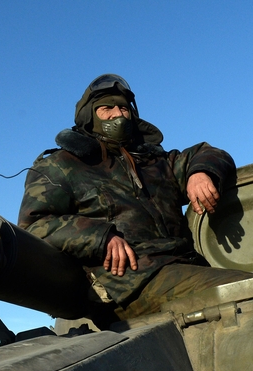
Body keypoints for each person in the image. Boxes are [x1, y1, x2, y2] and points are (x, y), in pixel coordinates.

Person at [17, 74, 252, 325]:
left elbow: (209, 152)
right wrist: (99, 236)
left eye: (123, 108)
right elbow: (34, 226)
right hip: (126, 284)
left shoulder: (155, 162)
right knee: (245, 291)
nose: (118, 114)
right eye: (107, 108)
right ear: (90, 116)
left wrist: (200, 171)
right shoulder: (61, 165)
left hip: (183, 268)